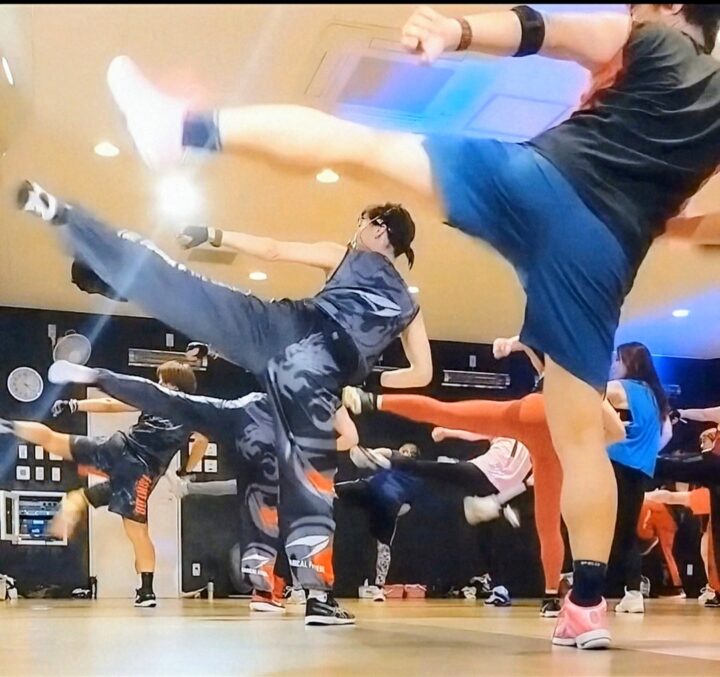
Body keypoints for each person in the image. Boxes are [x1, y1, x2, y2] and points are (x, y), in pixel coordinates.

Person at [103, 3, 720, 648]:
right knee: (582, 441)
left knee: (362, 147)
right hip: (603, 254)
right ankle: (587, 607)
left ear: (673, 7)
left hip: (542, 183)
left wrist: (458, 30)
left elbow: (547, 30)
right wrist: (668, 225)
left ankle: (185, 128)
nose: (628, 9)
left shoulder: (649, 38)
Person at [18, 183, 431, 625]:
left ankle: (73, 221)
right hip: (317, 378)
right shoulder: (409, 306)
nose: (356, 229)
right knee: (310, 485)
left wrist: (214, 235)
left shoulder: (348, 256)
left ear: (378, 228)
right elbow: (422, 374)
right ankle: (317, 600)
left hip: (283, 330)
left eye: (361, 222)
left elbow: (272, 250)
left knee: (194, 295)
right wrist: (369, 386)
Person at [47, 358, 359, 615]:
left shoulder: (277, 385)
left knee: (259, 519)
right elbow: (349, 438)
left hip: (248, 419)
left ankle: (264, 594)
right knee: (304, 517)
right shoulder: (327, 396)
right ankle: (317, 599)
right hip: (285, 455)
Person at [0, 361, 201, 607]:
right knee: (138, 534)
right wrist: (186, 469)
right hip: (139, 469)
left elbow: (110, 404)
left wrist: (74, 405)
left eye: (162, 380)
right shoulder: (196, 413)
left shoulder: (152, 397)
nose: (159, 384)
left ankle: (8, 426)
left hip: (115, 447)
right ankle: (146, 592)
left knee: (54, 440)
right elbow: (201, 442)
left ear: (173, 383)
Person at [604, 343, 671, 614]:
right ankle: (632, 591)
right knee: (626, 532)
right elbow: (666, 434)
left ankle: (588, 587)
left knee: (602, 528)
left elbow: (590, 394)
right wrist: (643, 450)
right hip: (641, 469)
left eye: (617, 360)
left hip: (616, 464)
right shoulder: (657, 396)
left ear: (628, 363)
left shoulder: (620, 388)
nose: (614, 366)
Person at [336, 443, 424, 602]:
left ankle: (378, 588)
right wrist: (368, 456)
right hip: (370, 489)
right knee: (332, 490)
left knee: (383, 546)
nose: (407, 454)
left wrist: (394, 510)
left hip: (388, 505)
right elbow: (384, 453)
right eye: (404, 451)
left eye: (411, 453)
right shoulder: (395, 459)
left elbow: (408, 505)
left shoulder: (415, 475)